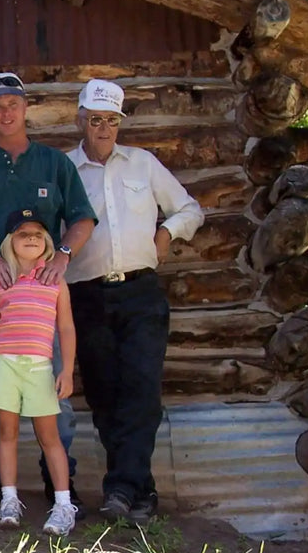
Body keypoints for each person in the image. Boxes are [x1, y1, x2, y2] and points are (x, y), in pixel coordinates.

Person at [0, 72, 96, 519]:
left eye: (13, 103)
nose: (5, 112)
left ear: (25, 108)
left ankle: (59, 485)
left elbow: (82, 219)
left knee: (54, 384)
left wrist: (63, 255)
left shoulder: (54, 164)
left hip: (44, 290)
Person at [65, 79, 204, 525]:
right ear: (80, 120)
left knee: (142, 391)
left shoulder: (144, 164)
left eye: (111, 121)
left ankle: (121, 488)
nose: (103, 128)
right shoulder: (63, 169)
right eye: (95, 120)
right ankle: (140, 492)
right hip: (85, 295)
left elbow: (190, 209)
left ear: (119, 123)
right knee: (105, 394)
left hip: (141, 291)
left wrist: (166, 232)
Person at [0, 209, 78, 536]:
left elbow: (67, 328)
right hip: (4, 365)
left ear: (46, 242)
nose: (30, 238)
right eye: (22, 233)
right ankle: (9, 499)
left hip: (40, 366)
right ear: (9, 242)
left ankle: (62, 504)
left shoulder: (56, 281)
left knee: (49, 435)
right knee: (7, 433)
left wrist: (67, 370)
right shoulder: (0, 282)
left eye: (37, 234)